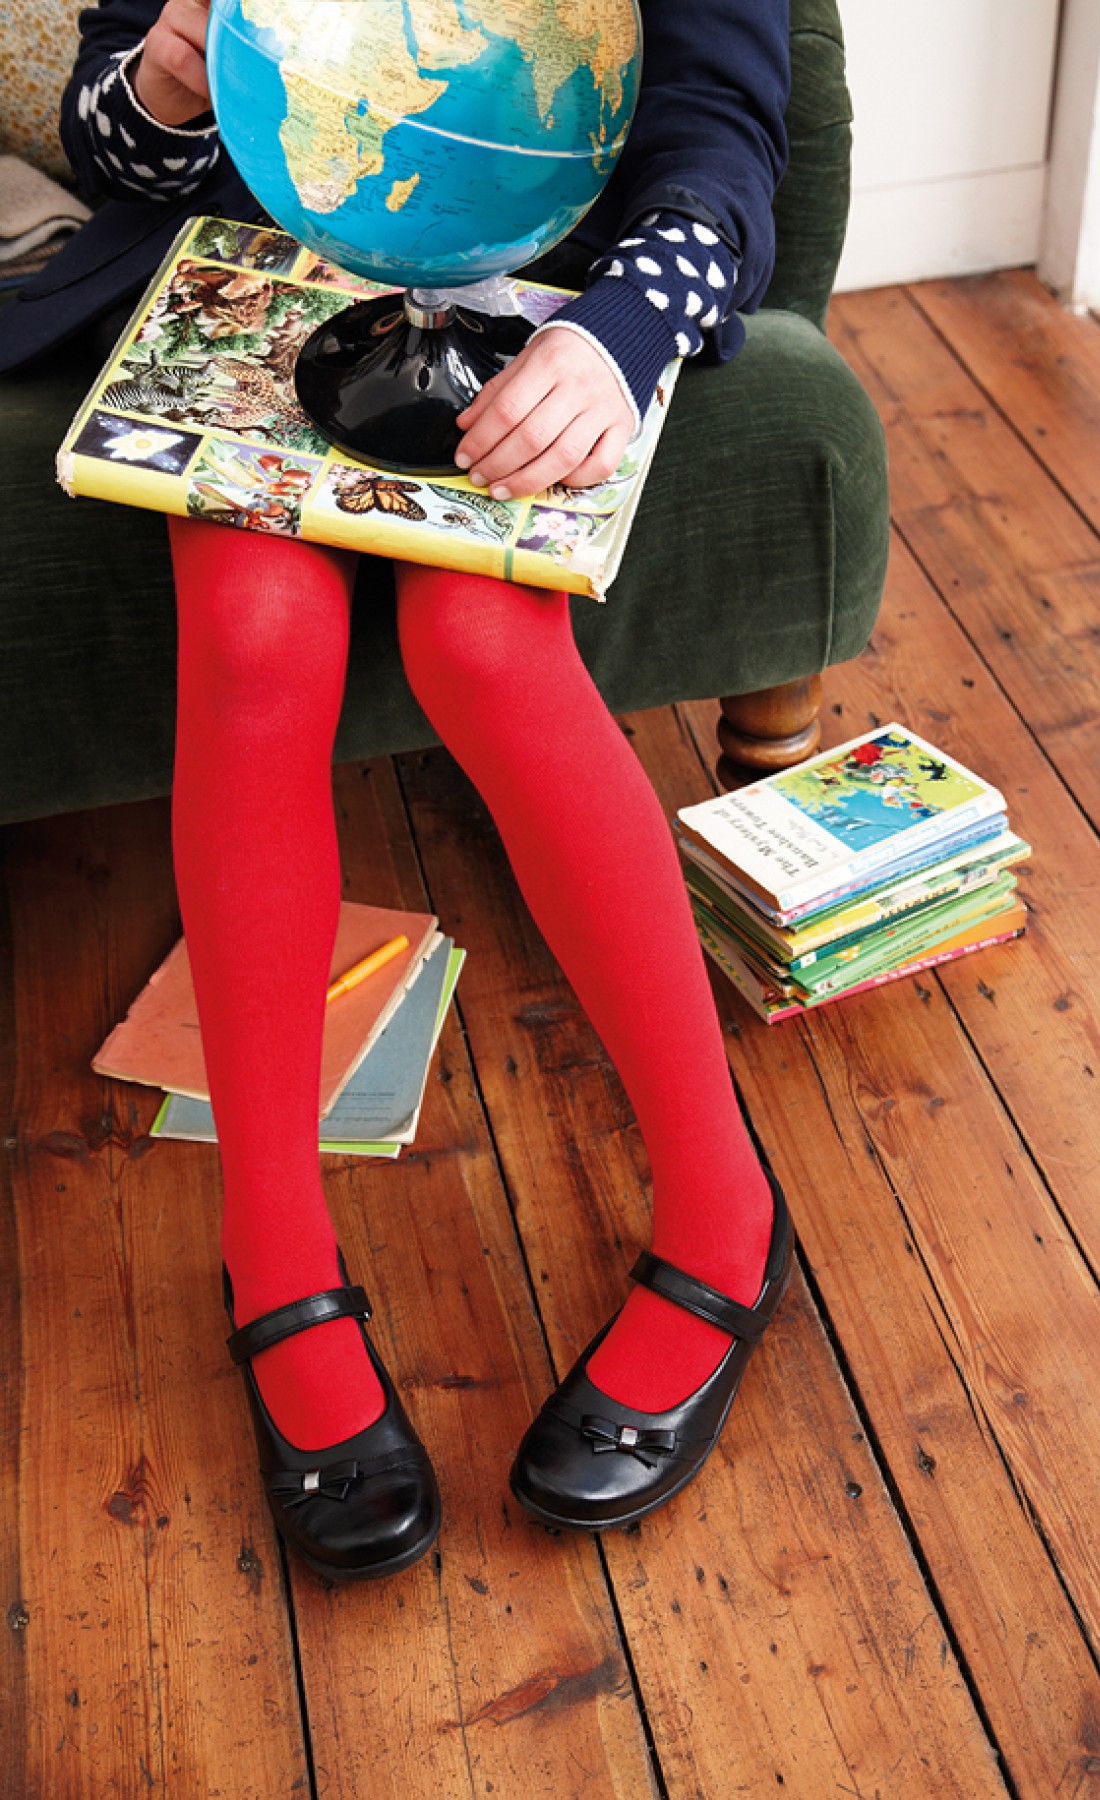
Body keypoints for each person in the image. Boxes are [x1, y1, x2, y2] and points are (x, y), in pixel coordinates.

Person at [35, 0, 795, 1580]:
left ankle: (728, 1211)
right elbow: (117, 152)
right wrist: (167, 86)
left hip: (555, 312)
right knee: (255, 639)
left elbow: (726, 135)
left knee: (483, 648)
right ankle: (272, 1255)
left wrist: (619, 334)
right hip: (266, 295)